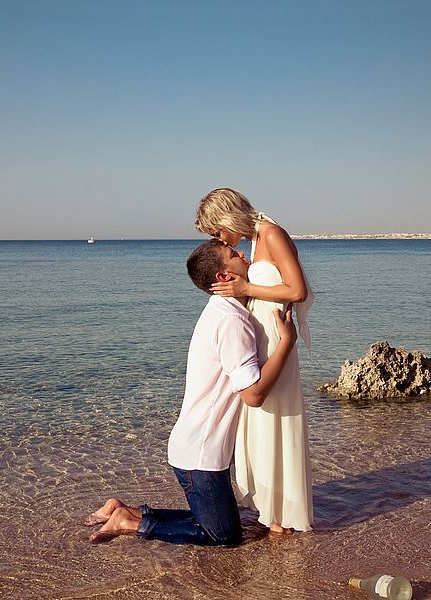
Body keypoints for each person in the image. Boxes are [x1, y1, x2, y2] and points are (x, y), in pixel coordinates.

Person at [86, 238, 298, 545]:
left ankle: (127, 511)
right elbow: (252, 394)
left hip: (195, 448)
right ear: (224, 277)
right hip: (201, 453)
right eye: (233, 254)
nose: (243, 254)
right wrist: (286, 344)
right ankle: (129, 524)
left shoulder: (223, 311)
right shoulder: (230, 322)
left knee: (217, 521)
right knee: (223, 535)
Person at [195, 187, 314, 534]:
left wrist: (245, 290)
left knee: (276, 417)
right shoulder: (255, 238)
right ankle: (273, 508)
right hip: (261, 332)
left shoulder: (272, 233)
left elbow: (297, 291)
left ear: (228, 216)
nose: (220, 239)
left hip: (275, 333)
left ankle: (283, 512)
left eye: (218, 230)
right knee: (261, 421)